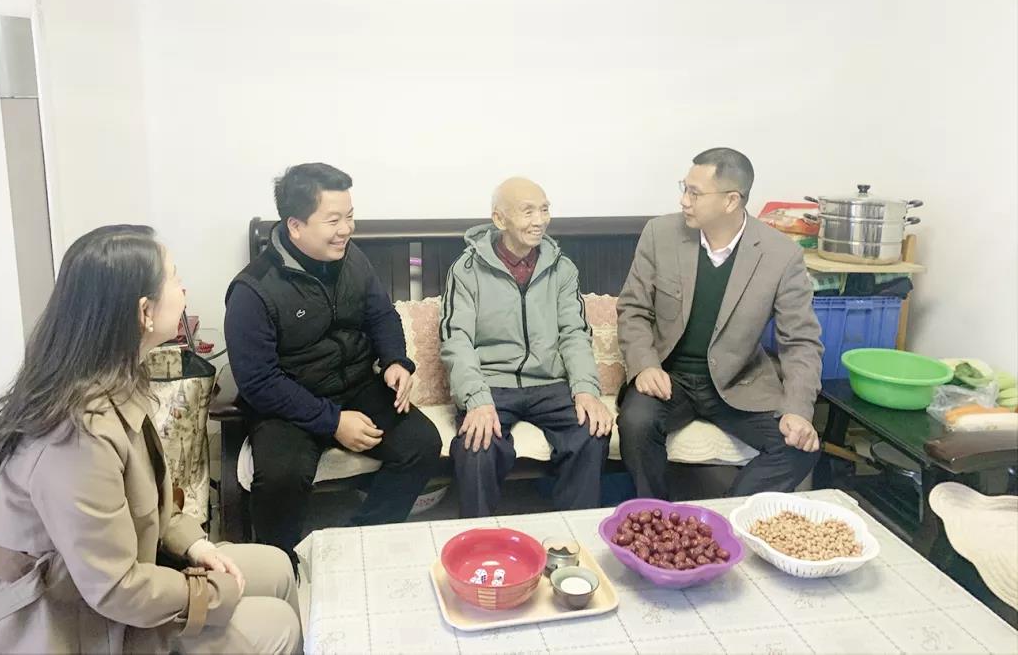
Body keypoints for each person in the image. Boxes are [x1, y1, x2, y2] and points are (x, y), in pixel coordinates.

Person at [0, 225, 300, 654]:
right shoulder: (77, 435)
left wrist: (195, 544)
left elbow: (145, 508)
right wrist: (208, 594)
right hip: (67, 626)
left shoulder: (110, 380)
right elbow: (114, 588)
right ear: (144, 311)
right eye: (174, 277)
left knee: (277, 567)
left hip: (107, 589)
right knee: (276, 624)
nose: (184, 289)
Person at [224, 163, 440, 561]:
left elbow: (381, 315)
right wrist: (333, 422)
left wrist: (395, 361)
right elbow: (259, 382)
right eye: (334, 220)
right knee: (281, 477)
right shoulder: (252, 291)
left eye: (350, 217)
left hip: (356, 386)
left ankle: (361, 539)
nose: (346, 230)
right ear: (295, 225)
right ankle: (279, 563)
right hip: (288, 403)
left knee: (422, 444)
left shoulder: (352, 258)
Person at [616, 148, 823, 500]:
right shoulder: (659, 234)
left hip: (739, 382)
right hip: (670, 378)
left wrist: (798, 410)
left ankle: (725, 517)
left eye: (694, 193)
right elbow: (633, 309)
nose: (684, 200)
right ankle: (655, 514)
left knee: (800, 448)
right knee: (635, 423)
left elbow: (801, 342)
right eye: (684, 188)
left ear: (731, 201)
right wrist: (645, 366)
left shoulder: (781, 255)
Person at [440, 177, 612, 517]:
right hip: (492, 383)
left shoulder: (562, 268)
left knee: (591, 434)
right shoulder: (466, 270)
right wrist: (476, 399)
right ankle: (479, 537)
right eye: (528, 211)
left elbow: (574, 333)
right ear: (500, 219)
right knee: (476, 446)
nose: (540, 220)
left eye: (544, 210)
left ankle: (573, 533)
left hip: (549, 382)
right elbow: (456, 338)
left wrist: (585, 389)